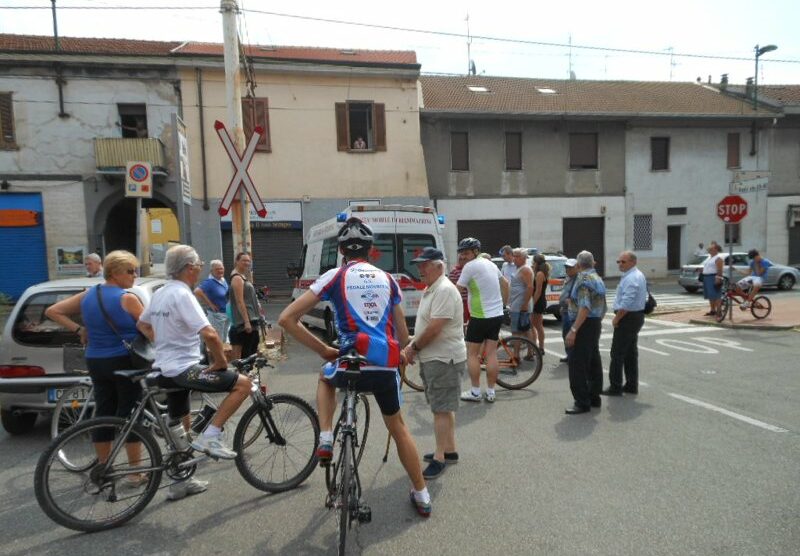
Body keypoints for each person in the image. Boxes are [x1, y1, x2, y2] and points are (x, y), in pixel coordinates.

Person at [278, 217, 431, 517]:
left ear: (342, 251)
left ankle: (324, 438)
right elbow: (401, 336)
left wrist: (323, 349)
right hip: (384, 368)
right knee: (399, 428)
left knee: (325, 378)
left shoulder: (334, 276)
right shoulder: (388, 280)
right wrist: (404, 355)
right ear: (371, 250)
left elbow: (286, 319)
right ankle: (422, 494)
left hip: (349, 364)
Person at [137, 245, 252, 500]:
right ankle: (211, 436)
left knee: (177, 423)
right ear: (189, 268)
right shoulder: (183, 293)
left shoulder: (160, 293)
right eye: (198, 263)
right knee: (243, 384)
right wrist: (222, 362)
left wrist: (165, 343)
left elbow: (143, 324)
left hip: (164, 366)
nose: (200, 267)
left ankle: (180, 482)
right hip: (183, 368)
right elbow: (209, 333)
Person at [45, 250, 145, 486]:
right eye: (130, 271)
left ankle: (104, 468)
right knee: (130, 415)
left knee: (104, 413)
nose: (134, 275)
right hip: (124, 361)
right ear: (115, 272)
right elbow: (148, 329)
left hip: (95, 361)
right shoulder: (127, 298)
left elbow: (53, 311)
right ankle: (135, 473)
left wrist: (79, 330)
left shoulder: (88, 295)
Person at [401, 247, 465, 480]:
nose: (420, 269)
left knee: (440, 409)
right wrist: (412, 343)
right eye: (419, 264)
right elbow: (428, 325)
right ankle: (449, 450)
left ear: (439, 266)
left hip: (443, 358)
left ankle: (439, 457)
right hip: (436, 358)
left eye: (424, 264)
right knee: (444, 407)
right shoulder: (434, 288)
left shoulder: (445, 290)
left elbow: (435, 327)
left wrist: (412, 348)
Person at [456, 237, 509, 404]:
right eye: (461, 253)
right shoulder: (491, 264)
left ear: (475, 252)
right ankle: (491, 392)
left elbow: (457, 290)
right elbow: (506, 284)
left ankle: (475, 391)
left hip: (479, 316)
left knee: (472, 354)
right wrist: (504, 305)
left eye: (466, 252)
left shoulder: (470, 267)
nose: (463, 256)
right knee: (491, 353)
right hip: (496, 314)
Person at [564, 250, 607, 414]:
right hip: (594, 323)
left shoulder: (583, 279)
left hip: (583, 323)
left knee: (577, 364)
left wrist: (574, 329)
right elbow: (603, 304)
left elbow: (584, 306)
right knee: (593, 361)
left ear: (578, 265)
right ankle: (594, 397)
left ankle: (582, 402)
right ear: (593, 262)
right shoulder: (597, 277)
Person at [602, 251, 647, 396]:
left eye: (623, 261)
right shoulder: (632, 275)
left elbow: (627, 302)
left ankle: (615, 386)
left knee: (617, 353)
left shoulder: (632, 277)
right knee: (630, 353)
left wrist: (617, 318)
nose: (620, 264)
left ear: (633, 262)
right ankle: (631, 385)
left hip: (628, 317)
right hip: (634, 317)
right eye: (618, 262)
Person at [229, 252, 261, 360]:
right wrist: (246, 322)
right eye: (244, 260)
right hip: (245, 321)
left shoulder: (243, 276)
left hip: (252, 318)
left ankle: (247, 374)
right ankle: (245, 375)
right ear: (237, 261)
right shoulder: (237, 278)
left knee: (252, 348)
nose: (247, 263)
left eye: (248, 261)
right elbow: (239, 301)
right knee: (247, 353)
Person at [508, 248, 535, 359]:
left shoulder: (525, 270)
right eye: (513, 255)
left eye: (517, 256)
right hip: (517, 304)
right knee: (524, 330)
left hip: (520, 306)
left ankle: (516, 356)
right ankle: (528, 353)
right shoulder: (520, 269)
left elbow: (530, 287)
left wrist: (524, 304)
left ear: (524, 258)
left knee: (517, 332)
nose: (514, 258)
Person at [194, 260, 229, 344]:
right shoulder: (209, 282)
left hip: (226, 314)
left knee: (224, 339)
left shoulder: (223, 280)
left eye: (221, 268)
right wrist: (210, 304)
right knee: (218, 340)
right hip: (216, 316)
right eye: (217, 269)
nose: (220, 271)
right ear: (211, 271)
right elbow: (197, 291)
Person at [558, 258, 578, 363]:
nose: (568, 269)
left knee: (570, 335)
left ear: (576, 268)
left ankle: (573, 357)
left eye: (570, 268)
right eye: (566, 267)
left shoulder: (578, 279)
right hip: (565, 310)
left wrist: (571, 301)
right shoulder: (568, 278)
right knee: (565, 334)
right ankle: (569, 355)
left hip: (572, 311)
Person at [530, 253, 549, 355]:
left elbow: (538, 291)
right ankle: (540, 348)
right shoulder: (539, 272)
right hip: (540, 301)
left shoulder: (540, 274)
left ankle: (535, 348)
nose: (532, 263)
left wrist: (532, 303)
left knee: (532, 325)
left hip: (538, 301)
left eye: (533, 261)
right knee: (538, 325)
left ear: (537, 262)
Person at [702, 241, 725, 316]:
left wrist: (718, 278)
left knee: (716, 294)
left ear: (716, 250)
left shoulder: (718, 258)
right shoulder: (709, 258)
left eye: (711, 249)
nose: (709, 250)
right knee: (710, 295)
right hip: (707, 277)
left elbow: (720, 270)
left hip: (713, 277)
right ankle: (712, 310)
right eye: (709, 249)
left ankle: (719, 311)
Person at [448, 249, 470, 324]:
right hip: (460, 300)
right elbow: (451, 285)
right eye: (460, 259)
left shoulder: (470, 270)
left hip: (469, 300)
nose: (462, 261)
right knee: (462, 319)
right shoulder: (454, 271)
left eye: (464, 259)